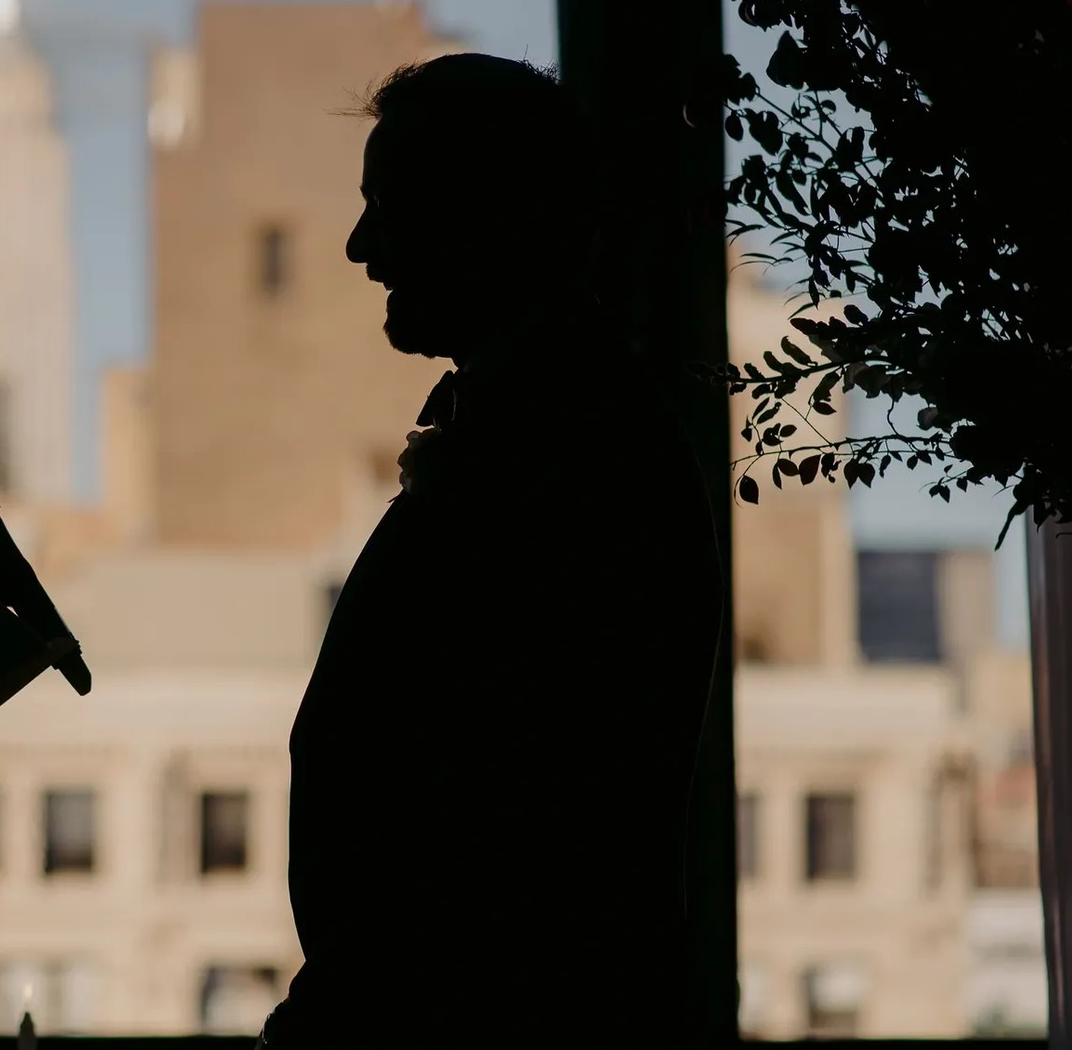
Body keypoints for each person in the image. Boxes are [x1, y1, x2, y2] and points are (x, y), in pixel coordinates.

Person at [259, 56, 725, 1045]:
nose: (360, 246)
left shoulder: (572, 451)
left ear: (487, 219)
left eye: (391, 206)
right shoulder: (542, 424)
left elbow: (505, 798)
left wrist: (352, 1005)